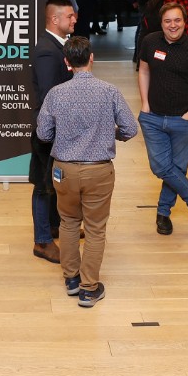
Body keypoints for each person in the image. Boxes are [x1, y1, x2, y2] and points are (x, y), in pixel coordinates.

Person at [36, 36, 138, 307]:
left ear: (67, 62)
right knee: (95, 229)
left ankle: (70, 279)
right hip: (99, 172)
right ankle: (89, 287)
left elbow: (43, 134)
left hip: (64, 171)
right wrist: (109, 133)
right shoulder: (109, 91)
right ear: (92, 58)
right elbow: (131, 128)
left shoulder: (56, 94)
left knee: (68, 223)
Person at [137, 2, 188, 236]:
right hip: (152, 118)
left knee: (177, 169)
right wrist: (145, 104)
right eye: (167, 21)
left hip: (184, 120)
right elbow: (143, 70)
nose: (173, 25)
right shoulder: (150, 42)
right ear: (161, 23)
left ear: (185, 21)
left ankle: (163, 213)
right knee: (161, 166)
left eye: (177, 20)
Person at [30, 0, 77, 264]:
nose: (74, 20)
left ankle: (54, 227)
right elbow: (51, 96)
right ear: (54, 20)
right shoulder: (48, 50)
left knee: (55, 182)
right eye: (69, 16)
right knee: (43, 186)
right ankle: (42, 241)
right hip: (49, 130)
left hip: (57, 128)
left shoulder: (59, 45)